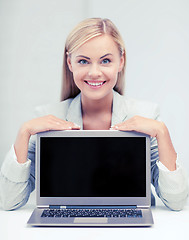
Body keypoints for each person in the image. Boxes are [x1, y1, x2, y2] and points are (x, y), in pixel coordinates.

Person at [0, 18, 188, 211]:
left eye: (105, 61)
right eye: (83, 61)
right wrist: (24, 132)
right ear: (70, 63)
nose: (94, 72)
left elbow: (176, 201)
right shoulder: (48, 117)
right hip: (64, 228)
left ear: (120, 62)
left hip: (130, 228)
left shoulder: (146, 115)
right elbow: (10, 201)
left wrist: (162, 132)